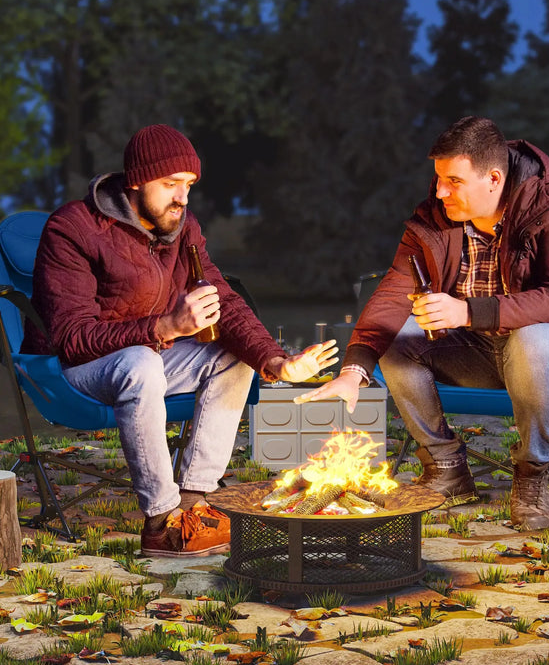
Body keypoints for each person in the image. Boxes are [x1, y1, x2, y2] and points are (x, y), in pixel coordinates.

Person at [22, 124, 337, 556]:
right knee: (141, 363)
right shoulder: (73, 228)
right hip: (76, 369)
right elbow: (71, 338)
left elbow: (222, 298)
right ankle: (161, 523)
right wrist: (165, 327)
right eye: (170, 184)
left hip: (146, 357)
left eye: (188, 185)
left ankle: (194, 504)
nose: (182, 198)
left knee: (233, 358)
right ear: (135, 181)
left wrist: (277, 363)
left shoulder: (181, 228)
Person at [295, 116, 549, 530]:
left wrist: (468, 312)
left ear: (493, 178)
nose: (440, 191)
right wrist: (354, 371)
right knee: (398, 338)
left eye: (453, 181)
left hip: (548, 345)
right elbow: (391, 296)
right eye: (439, 179)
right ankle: (447, 468)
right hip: (473, 349)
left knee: (535, 342)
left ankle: (532, 474)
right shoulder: (434, 218)